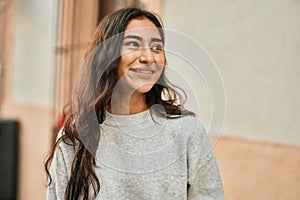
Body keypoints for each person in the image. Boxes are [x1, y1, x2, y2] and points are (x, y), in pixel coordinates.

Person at [45, 7, 224, 200]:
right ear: (107, 54)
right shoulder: (76, 136)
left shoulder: (187, 132)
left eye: (156, 47)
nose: (148, 57)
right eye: (134, 44)